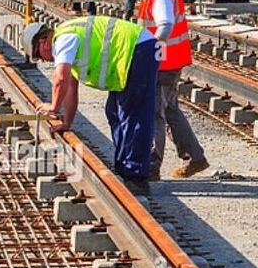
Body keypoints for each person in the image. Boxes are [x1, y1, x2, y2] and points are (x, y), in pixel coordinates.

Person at [22, 16, 160, 194]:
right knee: (114, 112)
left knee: (133, 114)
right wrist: (67, 123)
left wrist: (54, 107)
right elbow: (71, 88)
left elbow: (60, 78)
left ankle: (136, 177)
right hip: (130, 53)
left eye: (39, 56)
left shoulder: (64, 39)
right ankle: (124, 169)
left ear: (43, 42)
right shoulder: (67, 43)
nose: (44, 60)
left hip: (138, 49)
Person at [122, 0, 208, 179]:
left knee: (153, 113)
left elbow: (166, 24)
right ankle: (195, 158)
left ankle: (150, 167)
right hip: (168, 62)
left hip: (162, 63)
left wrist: (149, 48)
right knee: (170, 111)